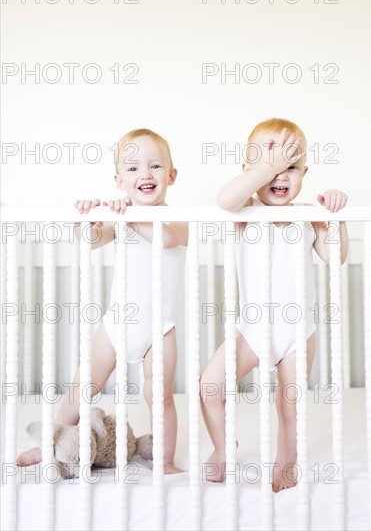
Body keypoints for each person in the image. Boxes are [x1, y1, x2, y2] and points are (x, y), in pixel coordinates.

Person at [17, 128, 188, 474]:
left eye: (155, 166)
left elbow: (167, 240)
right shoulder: (121, 220)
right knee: (83, 388)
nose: (145, 174)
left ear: (171, 175)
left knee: (161, 396)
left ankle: (166, 459)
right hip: (117, 325)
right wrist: (89, 219)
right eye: (133, 168)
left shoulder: (181, 218)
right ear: (119, 180)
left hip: (161, 329)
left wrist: (126, 215)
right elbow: (92, 240)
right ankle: (47, 446)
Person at [200, 118, 348, 492]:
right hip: (252, 331)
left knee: (290, 404)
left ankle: (287, 461)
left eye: (291, 167)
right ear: (248, 170)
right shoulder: (244, 213)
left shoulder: (307, 217)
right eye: (270, 166)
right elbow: (224, 199)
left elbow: (336, 257)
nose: (280, 176)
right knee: (210, 387)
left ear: (305, 172)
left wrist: (336, 218)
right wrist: (266, 166)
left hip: (299, 333)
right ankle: (222, 447)